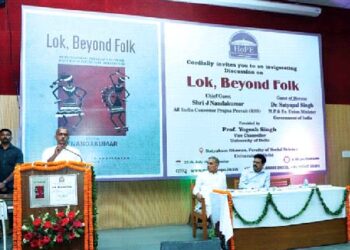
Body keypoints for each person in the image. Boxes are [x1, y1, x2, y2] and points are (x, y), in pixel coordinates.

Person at [0, 128, 23, 193]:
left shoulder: (17, 151)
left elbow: (17, 169)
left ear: (11, 137)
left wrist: (4, 182)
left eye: (7, 135)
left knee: (12, 203)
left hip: (12, 186)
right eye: (2, 135)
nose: (5, 136)